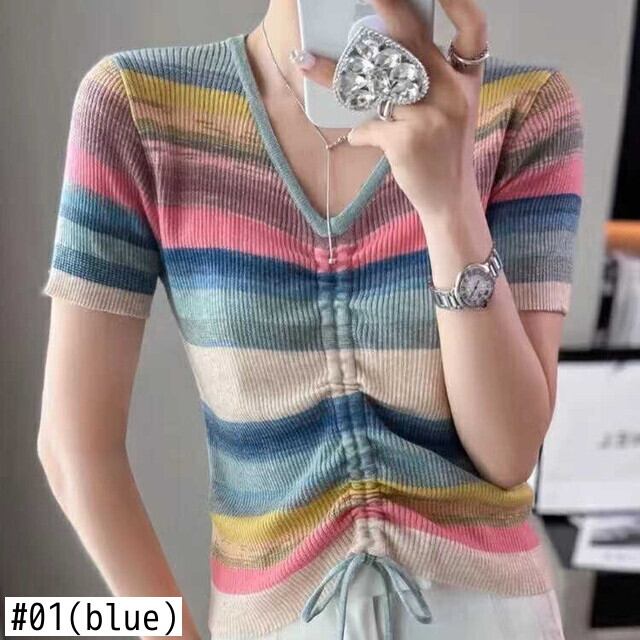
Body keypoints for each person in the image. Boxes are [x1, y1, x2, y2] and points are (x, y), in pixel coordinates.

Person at [37, 0, 583, 639]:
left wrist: (450, 203)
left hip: (487, 616)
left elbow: (509, 453)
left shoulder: (525, 108)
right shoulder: (139, 107)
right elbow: (73, 450)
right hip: (274, 619)